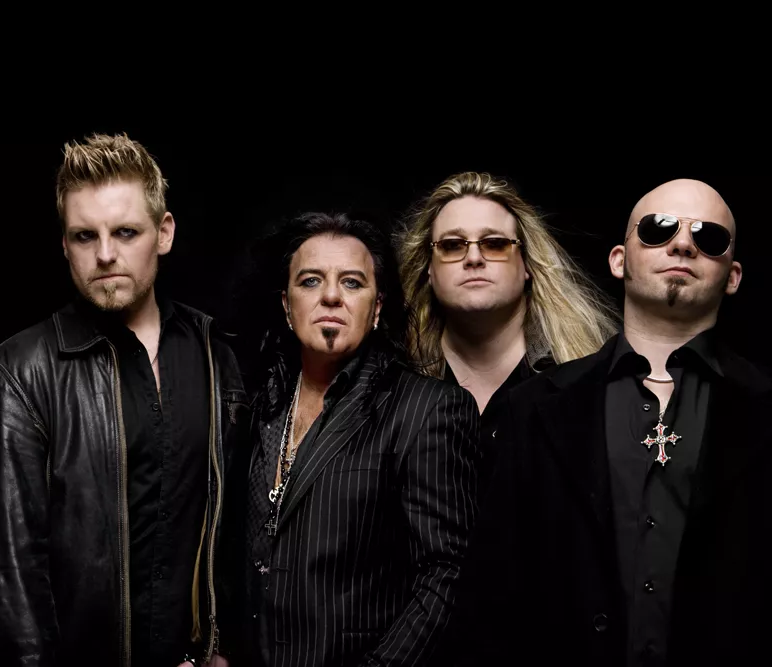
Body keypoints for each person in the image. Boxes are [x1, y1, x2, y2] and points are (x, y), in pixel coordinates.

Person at [455, 179, 772, 666]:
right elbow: (491, 595)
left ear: (732, 276)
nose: (682, 244)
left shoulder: (764, 408)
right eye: (658, 229)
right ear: (619, 259)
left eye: (708, 237)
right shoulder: (533, 408)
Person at [0, 133, 248, 667]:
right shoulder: (22, 369)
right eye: (84, 236)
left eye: (126, 232)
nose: (106, 254)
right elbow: (6, 571)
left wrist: (220, 647)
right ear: (64, 245)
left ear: (164, 233)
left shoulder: (215, 357)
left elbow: (232, 528)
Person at [231, 212, 480, 666]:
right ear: (286, 305)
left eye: (351, 282)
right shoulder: (257, 404)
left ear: (377, 307)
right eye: (310, 281)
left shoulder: (426, 409)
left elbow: (447, 573)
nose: (330, 295)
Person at [396, 171, 616, 491]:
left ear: (526, 263)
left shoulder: (585, 376)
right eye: (452, 245)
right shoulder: (396, 379)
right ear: (429, 267)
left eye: (495, 244)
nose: (474, 258)